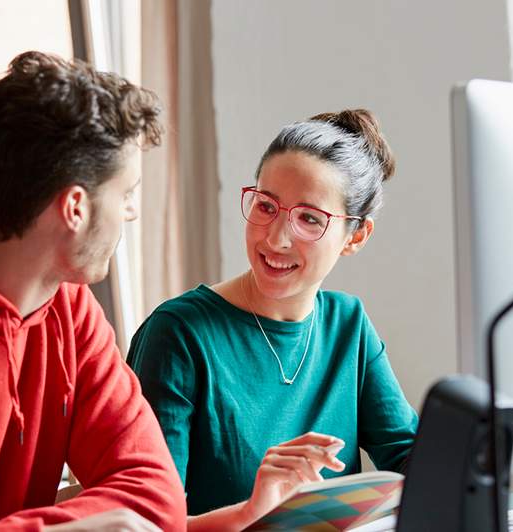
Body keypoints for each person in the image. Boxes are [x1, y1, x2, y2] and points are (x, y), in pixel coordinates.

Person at [0, 51, 186, 531]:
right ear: (75, 207)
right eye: (127, 194)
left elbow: (155, 497)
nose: (130, 214)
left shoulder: (68, 306)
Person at [129, 109, 419, 530]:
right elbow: (149, 524)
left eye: (309, 219)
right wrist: (252, 514)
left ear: (355, 236)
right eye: (267, 206)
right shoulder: (179, 334)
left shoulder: (347, 326)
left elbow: (415, 461)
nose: (275, 238)